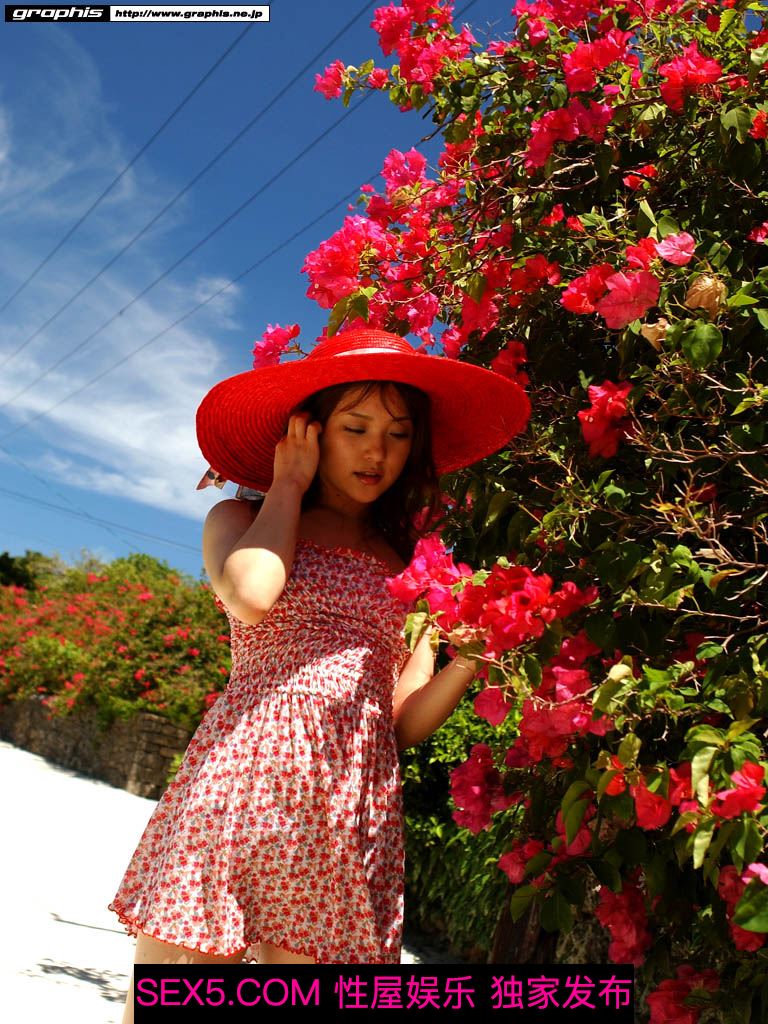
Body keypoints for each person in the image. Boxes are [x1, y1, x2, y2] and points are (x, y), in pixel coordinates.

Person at [108, 327, 530, 1014]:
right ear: (309, 431)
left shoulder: (413, 567)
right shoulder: (239, 519)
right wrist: (288, 484)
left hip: (348, 804)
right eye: (355, 427)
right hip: (245, 778)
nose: (376, 451)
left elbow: (402, 723)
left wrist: (470, 658)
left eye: (397, 434)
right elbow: (251, 594)